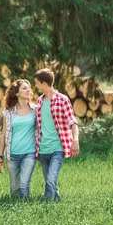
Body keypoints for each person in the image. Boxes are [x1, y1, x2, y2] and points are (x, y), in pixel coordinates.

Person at [33, 68, 79, 201]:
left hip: (57, 149)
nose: (35, 86)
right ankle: (57, 202)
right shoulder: (40, 101)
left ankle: (46, 207)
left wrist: (75, 141)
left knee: (50, 180)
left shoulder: (63, 100)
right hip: (42, 150)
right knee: (50, 182)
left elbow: (73, 122)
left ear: (44, 84)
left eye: (37, 83)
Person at [0, 79, 38, 199]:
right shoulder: (8, 113)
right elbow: (4, 135)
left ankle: (25, 211)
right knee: (14, 188)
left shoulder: (35, 110)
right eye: (24, 88)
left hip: (29, 153)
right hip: (12, 154)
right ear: (16, 93)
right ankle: (15, 211)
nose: (28, 90)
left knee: (24, 185)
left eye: (29, 88)